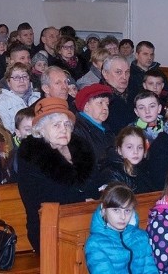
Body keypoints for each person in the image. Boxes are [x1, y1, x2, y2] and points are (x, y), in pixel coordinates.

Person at [17, 97, 104, 252]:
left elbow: (95, 183)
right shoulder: (30, 154)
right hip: (49, 228)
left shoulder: (80, 147)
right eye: (56, 125)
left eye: (66, 125)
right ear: (40, 130)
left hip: (86, 219)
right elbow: (43, 196)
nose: (63, 129)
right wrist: (83, 200)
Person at [84, 183, 159, 274]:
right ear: (104, 211)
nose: (123, 217)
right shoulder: (95, 243)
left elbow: (150, 269)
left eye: (127, 210)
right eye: (116, 210)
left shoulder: (141, 237)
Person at [97, 126, 152, 194]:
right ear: (119, 150)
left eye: (140, 147)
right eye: (129, 147)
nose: (136, 152)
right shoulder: (112, 173)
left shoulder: (144, 169)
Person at [72, 83, 115, 168]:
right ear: (86, 106)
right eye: (100, 103)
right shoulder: (77, 131)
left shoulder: (107, 130)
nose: (105, 107)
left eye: (107, 104)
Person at [0, 62, 40, 133]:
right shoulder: (1, 102)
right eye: (16, 77)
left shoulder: (38, 97)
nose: (21, 80)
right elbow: (7, 132)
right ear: (8, 82)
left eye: (25, 76)